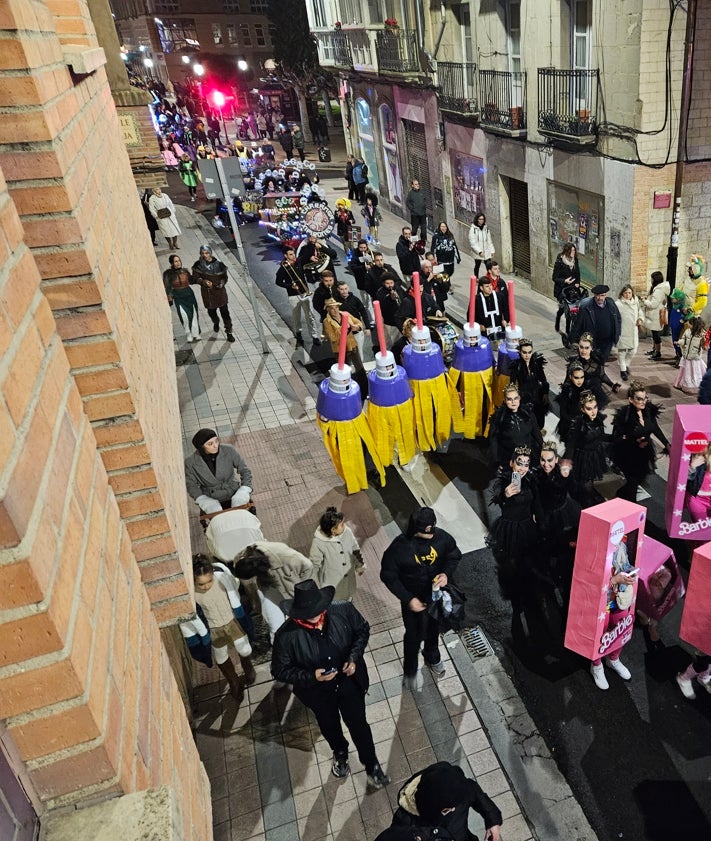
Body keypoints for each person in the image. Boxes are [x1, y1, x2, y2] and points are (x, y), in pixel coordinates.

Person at [271, 580, 390, 788]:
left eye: (318, 611)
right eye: (308, 614)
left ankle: (372, 766)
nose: (315, 617)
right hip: (318, 693)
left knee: (359, 726)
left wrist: (353, 658)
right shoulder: (286, 636)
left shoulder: (343, 609)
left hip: (349, 684)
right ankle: (340, 752)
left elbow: (362, 630)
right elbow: (279, 670)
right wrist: (312, 676)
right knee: (329, 726)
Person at [380, 507, 462, 687]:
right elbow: (388, 576)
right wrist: (408, 598)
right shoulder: (399, 548)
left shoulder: (442, 538)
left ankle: (432, 655)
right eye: (427, 532)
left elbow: (454, 555)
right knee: (413, 635)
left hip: (435, 596)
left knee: (434, 628)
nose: (431, 534)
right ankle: (410, 670)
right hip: (413, 599)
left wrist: (446, 574)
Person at [180, 555, 256, 702]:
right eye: (201, 584)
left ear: (213, 575)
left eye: (209, 581)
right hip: (214, 629)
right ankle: (233, 681)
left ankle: (248, 668)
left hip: (233, 622)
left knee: (244, 649)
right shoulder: (192, 595)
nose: (206, 586)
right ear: (193, 581)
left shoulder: (223, 580)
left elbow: (235, 591)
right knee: (221, 658)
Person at [487, 446, 539, 632]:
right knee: (513, 564)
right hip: (510, 528)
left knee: (528, 560)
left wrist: (534, 514)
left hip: (527, 526)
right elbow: (496, 497)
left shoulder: (531, 479)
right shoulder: (503, 482)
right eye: (519, 463)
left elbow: (535, 500)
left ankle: (528, 591)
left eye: (526, 464)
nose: (522, 468)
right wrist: (505, 495)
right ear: (511, 463)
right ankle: (517, 602)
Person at [390, 761, 502, 841]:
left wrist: (493, 820)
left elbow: (474, 792)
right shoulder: (404, 824)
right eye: (447, 810)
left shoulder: (456, 790)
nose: (454, 809)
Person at [611, 381, 670, 502]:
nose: (643, 401)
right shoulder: (624, 415)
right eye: (639, 399)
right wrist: (634, 441)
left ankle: (621, 493)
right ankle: (632, 511)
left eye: (645, 398)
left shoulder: (649, 411)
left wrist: (666, 443)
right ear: (631, 400)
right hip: (628, 455)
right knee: (633, 483)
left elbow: (655, 428)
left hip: (644, 453)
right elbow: (616, 438)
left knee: (639, 479)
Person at [233, 542, 313, 626]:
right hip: (270, 585)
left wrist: (302, 586)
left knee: (302, 615)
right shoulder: (242, 558)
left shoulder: (287, 557)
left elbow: (308, 566)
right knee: (275, 622)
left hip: (291, 587)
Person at [184, 429, 253, 514]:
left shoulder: (229, 450)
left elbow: (244, 470)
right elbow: (191, 485)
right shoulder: (190, 462)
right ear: (201, 447)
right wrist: (203, 499)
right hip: (211, 498)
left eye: (216, 441)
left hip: (233, 491)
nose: (216, 445)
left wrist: (244, 489)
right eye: (210, 444)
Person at [309, 507, 365, 601]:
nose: (344, 526)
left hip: (348, 580)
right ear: (332, 530)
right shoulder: (318, 543)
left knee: (347, 598)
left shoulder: (347, 532)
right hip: (331, 584)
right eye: (341, 525)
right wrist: (316, 587)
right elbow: (314, 566)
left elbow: (355, 548)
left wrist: (359, 565)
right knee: (335, 604)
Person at [563, 392, 609, 503]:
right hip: (583, 458)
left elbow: (602, 436)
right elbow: (571, 444)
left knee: (590, 482)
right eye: (589, 409)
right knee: (585, 486)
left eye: (595, 407)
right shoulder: (578, 424)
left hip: (595, 455)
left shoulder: (598, 419)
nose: (593, 411)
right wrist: (566, 462)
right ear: (583, 410)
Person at [487, 384, 542, 467]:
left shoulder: (528, 414)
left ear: (519, 398)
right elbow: (493, 441)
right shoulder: (498, 418)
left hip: (529, 456)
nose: (513, 402)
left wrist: (543, 449)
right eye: (510, 399)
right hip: (509, 459)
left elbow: (537, 433)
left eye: (516, 398)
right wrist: (497, 461)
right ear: (505, 400)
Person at [275, 246, 319, 345]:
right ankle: (298, 333)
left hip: (305, 293)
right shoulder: (283, 267)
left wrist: (311, 243)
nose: (293, 256)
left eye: (293, 253)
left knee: (310, 316)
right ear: (285, 256)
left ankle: (315, 336)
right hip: (293, 296)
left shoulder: (299, 261)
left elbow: (306, 254)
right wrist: (290, 286)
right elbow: (278, 282)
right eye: (290, 254)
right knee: (296, 316)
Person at [191, 244, 234, 342]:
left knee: (225, 313)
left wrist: (222, 283)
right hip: (208, 293)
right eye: (203, 253)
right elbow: (195, 278)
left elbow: (225, 277)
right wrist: (203, 282)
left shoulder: (219, 264)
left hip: (220, 293)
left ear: (210, 253)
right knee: (211, 312)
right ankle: (216, 321)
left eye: (206, 253)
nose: (205, 255)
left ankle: (229, 332)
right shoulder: (198, 265)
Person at [571, 284, 621, 362]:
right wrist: (573, 340)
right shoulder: (586, 307)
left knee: (602, 361)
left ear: (605, 295)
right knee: (591, 361)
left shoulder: (611, 303)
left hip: (608, 341)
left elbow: (617, 319)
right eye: (597, 295)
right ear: (594, 295)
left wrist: (617, 334)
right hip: (593, 341)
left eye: (602, 295)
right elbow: (577, 324)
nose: (599, 298)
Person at [568, 332, 620, 407]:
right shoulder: (574, 363)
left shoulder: (597, 360)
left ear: (591, 348)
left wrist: (612, 385)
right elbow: (568, 382)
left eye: (586, 348)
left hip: (596, 393)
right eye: (581, 347)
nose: (583, 351)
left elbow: (602, 375)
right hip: (581, 395)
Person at [508, 338, 549, 429]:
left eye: (529, 352)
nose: (527, 355)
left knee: (540, 421)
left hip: (537, 396)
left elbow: (543, 379)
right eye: (524, 352)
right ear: (520, 351)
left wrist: (545, 393)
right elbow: (512, 383)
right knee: (527, 422)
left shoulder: (536, 363)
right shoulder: (516, 366)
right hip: (524, 398)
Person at [323, 298, 366, 377]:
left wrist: (357, 327)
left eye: (336, 307)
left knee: (360, 367)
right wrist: (342, 329)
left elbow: (358, 322)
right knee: (344, 371)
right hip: (340, 350)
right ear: (328, 310)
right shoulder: (326, 321)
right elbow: (333, 338)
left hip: (352, 346)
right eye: (332, 308)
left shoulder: (345, 314)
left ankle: (364, 385)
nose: (335, 310)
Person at [163, 254, 201, 343]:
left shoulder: (185, 271)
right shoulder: (168, 274)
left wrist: (201, 280)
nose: (178, 263)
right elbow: (167, 286)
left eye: (179, 261)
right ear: (172, 263)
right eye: (175, 261)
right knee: (184, 316)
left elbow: (192, 281)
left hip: (189, 295)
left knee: (194, 314)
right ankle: (188, 333)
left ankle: (196, 333)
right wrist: (170, 297)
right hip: (178, 296)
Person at [334, 280, 372, 359]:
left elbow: (363, 313)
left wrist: (368, 327)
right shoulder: (335, 301)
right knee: (346, 351)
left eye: (345, 288)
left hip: (356, 330)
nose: (344, 291)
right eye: (342, 289)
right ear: (338, 289)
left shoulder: (355, 299)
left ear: (348, 288)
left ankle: (361, 368)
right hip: (343, 331)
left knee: (359, 350)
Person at [615, 284, 643, 381]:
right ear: (622, 293)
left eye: (629, 293)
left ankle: (626, 365)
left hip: (633, 331)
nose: (627, 295)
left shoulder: (636, 303)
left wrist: (640, 319)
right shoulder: (618, 304)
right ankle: (623, 371)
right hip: (623, 331)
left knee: (633, 351)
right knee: (622, 353)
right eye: (625, 293)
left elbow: (640, 312)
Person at [552, 242, 581, 333]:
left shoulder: (575, 260)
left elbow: (577, 273)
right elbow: (555, 278)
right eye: (571, 251)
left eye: (574, 250)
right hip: (562, 290)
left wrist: (577, 282)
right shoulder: (560, 262)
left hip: (572, 289)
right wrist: (565, 281)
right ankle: (558, 321)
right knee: (563, 309)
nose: (573, 252)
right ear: (567, 251)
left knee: (571, 310)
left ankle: (568, 331)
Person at [556, 362, 587, 443]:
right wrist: (574, 422)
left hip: (583, 425)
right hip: (569, 425)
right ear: (570, 377)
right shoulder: (567, 391)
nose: (579, 380)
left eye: (582, 377)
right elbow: (563, 412)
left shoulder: (586, 389)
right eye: (576, 378)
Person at [642, 270, 670, 361]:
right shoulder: (657, 288)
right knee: (654, 334)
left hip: (656, 315)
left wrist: (645, 301)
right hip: (654, 315)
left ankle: (658, 352)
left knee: (656, 334)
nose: (651, 280)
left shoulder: (659, 290)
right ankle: (654, 349)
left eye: (652, 278)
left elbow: (653, 304)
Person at [675, 316, 707, 394]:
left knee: (694, 373)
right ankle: (683, 384)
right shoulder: (687, 331)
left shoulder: (701, 335)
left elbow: (704, 347)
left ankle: (695, 385)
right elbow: (684, 340)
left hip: (695, 358)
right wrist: (679, 342)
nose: (688, 324)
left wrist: (704, 341)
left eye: (690, 323)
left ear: (694, 325)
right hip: (686, 356)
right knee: (685, 372)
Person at [474, 277, 508, 344]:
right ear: (481, 288)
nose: (490, 288)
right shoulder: (477, 299)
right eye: (487, 286)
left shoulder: (499, 296)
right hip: (485, 332)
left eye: (490, 285)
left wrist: (506, 320)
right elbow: (471, 315)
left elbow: (506, 309)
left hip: (499, 330)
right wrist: (478, 325)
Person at [347, 239, 375, 309]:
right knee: (363, 294)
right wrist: (363, 267)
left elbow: (374, 263)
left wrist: (370, 261)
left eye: (364, 248)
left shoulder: (370, 252)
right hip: (360, 277)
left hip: (370, 277)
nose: (363, 249)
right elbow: (352, 266)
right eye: (361, 248)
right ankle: (365, 305)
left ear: (367, 247)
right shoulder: (354, 253)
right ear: (358, 247)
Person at [468, 213, 495, 277]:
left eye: (483, 219)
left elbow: (489, 241)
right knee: (477, 265)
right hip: (478, 251)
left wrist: (492, 250)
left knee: (489, 265)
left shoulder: (486, 228)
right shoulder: (473, 229)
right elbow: (473, 242)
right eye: (480, 219)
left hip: (486, 250)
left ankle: (490, 277)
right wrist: (479, 251)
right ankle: (476, 278)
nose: (481, 220)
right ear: (477, 219)